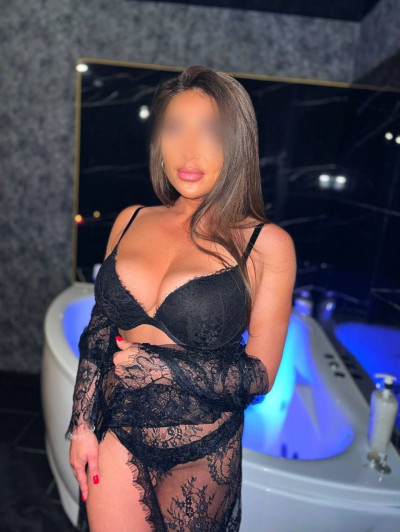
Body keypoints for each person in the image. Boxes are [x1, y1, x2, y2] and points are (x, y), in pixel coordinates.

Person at [65, 65, 297, 531]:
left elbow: (260, 374)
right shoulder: (130, 219)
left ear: (237, 144)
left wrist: (161, 366)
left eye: (209, 131)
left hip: (203, 451)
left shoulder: (265, 244)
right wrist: (82, 425)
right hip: (118, 426)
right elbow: (100, 330)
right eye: (174, 128)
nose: (188, 150)